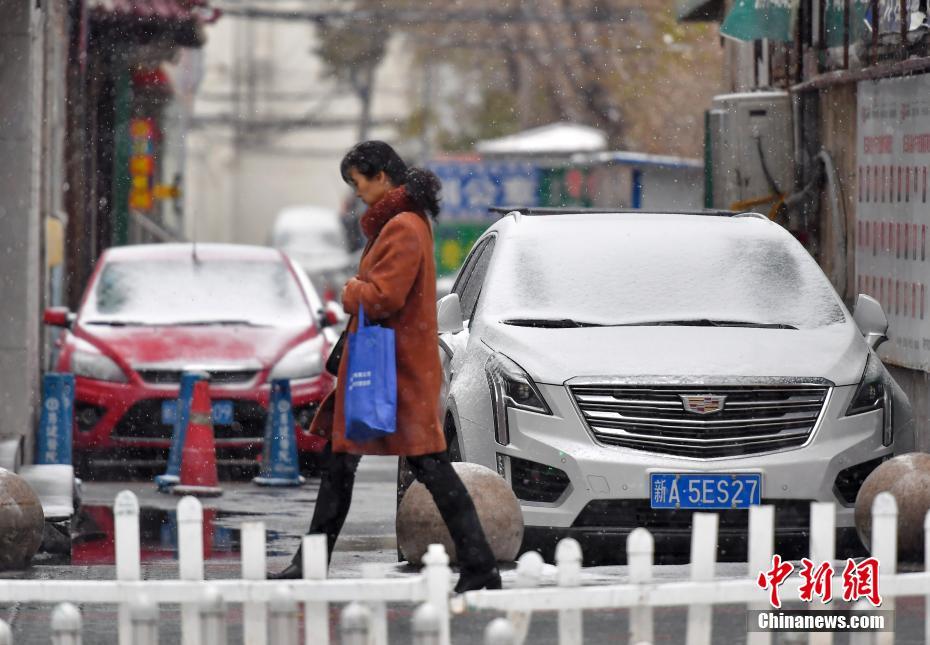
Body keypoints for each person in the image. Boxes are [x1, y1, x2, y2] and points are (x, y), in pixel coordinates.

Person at [270, 141, 501, 593]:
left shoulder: (403, 228)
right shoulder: (400, 224)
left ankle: (480, 564)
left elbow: (383, 297)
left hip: (394, 373)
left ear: (381, 177)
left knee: (429, 467)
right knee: (343, 464)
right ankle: (311, 562)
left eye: (357, 182)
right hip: (388, 370)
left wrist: (351, 291)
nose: (356, 192)